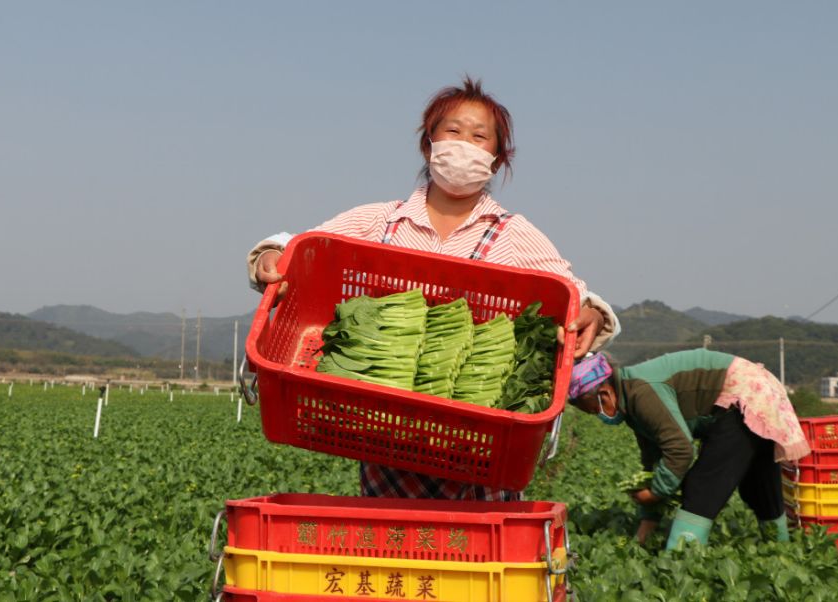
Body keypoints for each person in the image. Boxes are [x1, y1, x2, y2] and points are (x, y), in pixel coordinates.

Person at [245, 77, 620, 501]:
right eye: (453, 132)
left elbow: (573, 294)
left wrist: (591, 312)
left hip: (478, 451)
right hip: (386, 445)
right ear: (429, 145)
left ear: (495, 161)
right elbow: (304, 248)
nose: (465, 145)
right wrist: (268, 258)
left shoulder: (514, 234)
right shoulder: (382, 221)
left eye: (480, 137)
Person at [567, 349, 812, 549]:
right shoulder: (631, 402)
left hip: (744, 395)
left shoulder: (641, 393)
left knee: (702, 483)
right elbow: (655, 461)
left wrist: (657, 492)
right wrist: (647, 521)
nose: (596, 415)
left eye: (592, 409)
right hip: (754, 392)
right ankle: (780, 549)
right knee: (757, 484)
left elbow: (680, 449)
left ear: (605, 393)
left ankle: (680, 560)